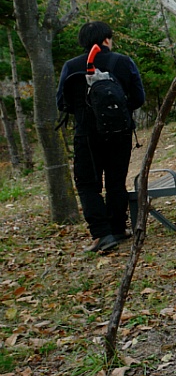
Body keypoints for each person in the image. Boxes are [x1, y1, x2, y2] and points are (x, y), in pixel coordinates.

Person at [56, 21, 145, 253]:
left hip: (86, 134)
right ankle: (117, 228)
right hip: (120, 133)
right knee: (116, 181)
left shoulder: (71, 66)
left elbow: (61, 103)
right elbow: (138, 98)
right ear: (106, 39)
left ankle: (101, 234)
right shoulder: (123, 62)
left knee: (87, 184)